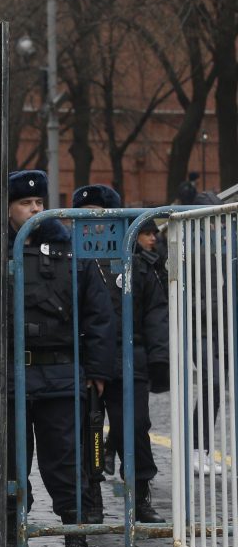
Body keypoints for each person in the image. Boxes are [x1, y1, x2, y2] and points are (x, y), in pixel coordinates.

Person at [0, 170, 114, 547]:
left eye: (40, 204)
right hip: (8, 377)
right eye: (26, 204)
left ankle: (75, 540)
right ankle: (10, 543)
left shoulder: (72, 250)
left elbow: (99, 314)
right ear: (8, 209)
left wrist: (97, 369)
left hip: (60, 375)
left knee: (66, 465)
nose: (35, 210)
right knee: (9, 466)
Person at [72, 184, 168, 524]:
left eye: (99, 216)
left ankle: (140, 493)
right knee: (89, 430)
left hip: (130, 356)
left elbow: (156, 313)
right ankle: (92, 498)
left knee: (136, 427)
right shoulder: (70, 261)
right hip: (85, 359)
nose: (93, 225)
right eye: (84, 217)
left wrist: (160, 359)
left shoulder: (136, 263)